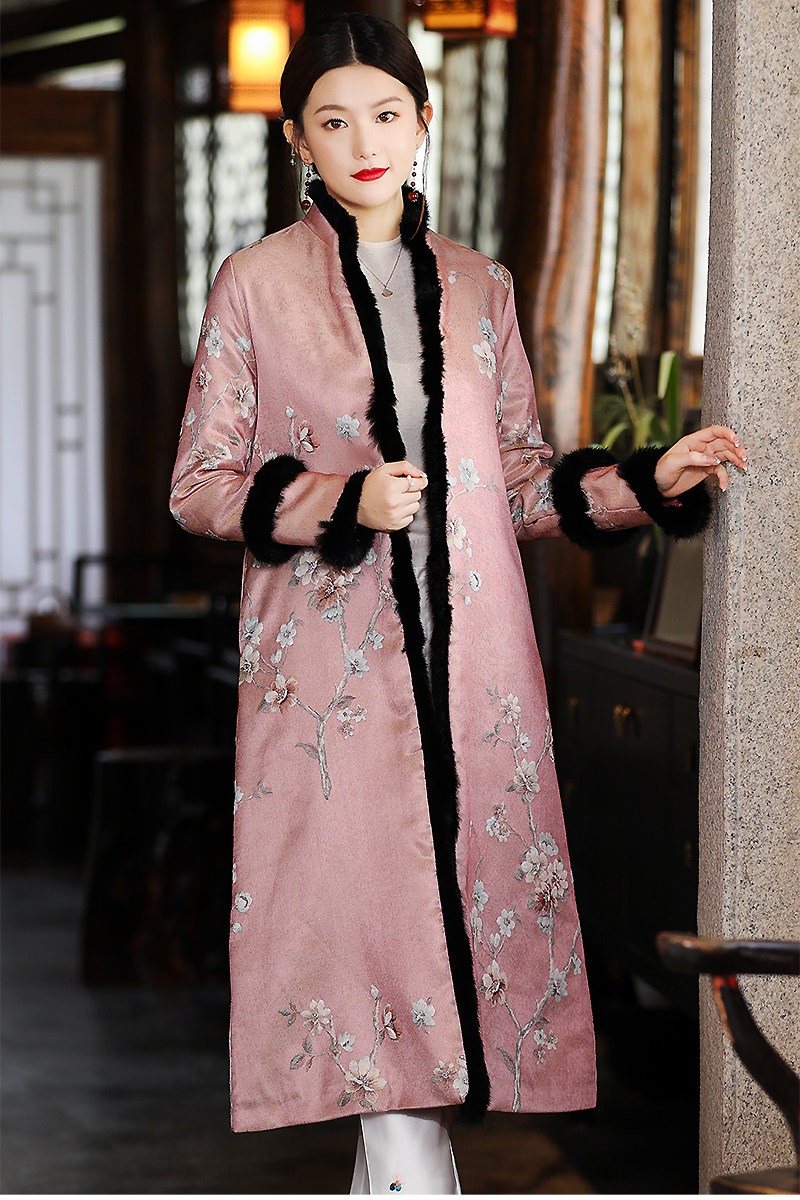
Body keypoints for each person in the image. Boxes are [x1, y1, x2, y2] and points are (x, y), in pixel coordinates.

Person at [169, 13, 747, 1193]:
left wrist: (650, 481)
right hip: (330, 689)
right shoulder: (255, 285)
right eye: (333, 121)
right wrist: (340, 500)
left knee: (440, 992)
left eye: (385, 114)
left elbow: (522, 484)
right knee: (372, 974)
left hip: (475, 674)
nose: (364, 141)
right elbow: (200, 484)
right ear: (297, 140)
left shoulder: (479, 288)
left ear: (423, 122)